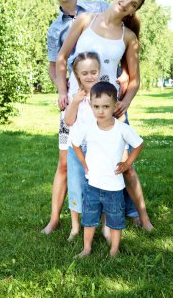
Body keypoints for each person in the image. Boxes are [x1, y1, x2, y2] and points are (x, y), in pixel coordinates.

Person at [56, 0, 154, 232]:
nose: (127, 3)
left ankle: (142, 218)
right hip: (82, 109)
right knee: (83, 167)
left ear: (133, 11)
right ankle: (88, 221)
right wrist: (63, 92)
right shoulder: (84, 20)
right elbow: (61, 57)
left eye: (134, 4)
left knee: (125, 167)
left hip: (110, 110)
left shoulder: (128, 37)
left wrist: (125, 102)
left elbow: (134, 80)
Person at [42, 0, 128, 234]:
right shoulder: (55, 29)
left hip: (104, 98)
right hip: (74, 102)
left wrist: (125, 73)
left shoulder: (98, 8)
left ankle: (119, 215)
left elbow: (121, 41)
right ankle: (56, 218)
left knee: (109, 156)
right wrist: (61, 90)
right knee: (65, 162)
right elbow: (52, 65)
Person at [72, 82, 144, 257]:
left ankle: (114, 249)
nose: (101, 111)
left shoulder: (122, 129)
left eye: (106, 106)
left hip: (114, 188)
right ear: (90, 105)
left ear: (115, 105)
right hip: (93, 186)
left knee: (115, 220)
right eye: (96, 106)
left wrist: (127, 164)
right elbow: (75, 144)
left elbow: (139, 144)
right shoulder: (88, 127)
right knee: (89, 219)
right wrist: (83, 162)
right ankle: (87, 248)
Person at [64, 52, 101, 241]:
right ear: (77, 75)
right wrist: (76, 101)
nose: (89, 76)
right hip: (76, 149)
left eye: (93, 72)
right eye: (85, 73)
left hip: (98, 149)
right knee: (76, 185)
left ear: (99, 71)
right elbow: (69, 121)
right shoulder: (74, 94)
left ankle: (103, 225)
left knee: (100, 185)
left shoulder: (104, 92)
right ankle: (75, 227)